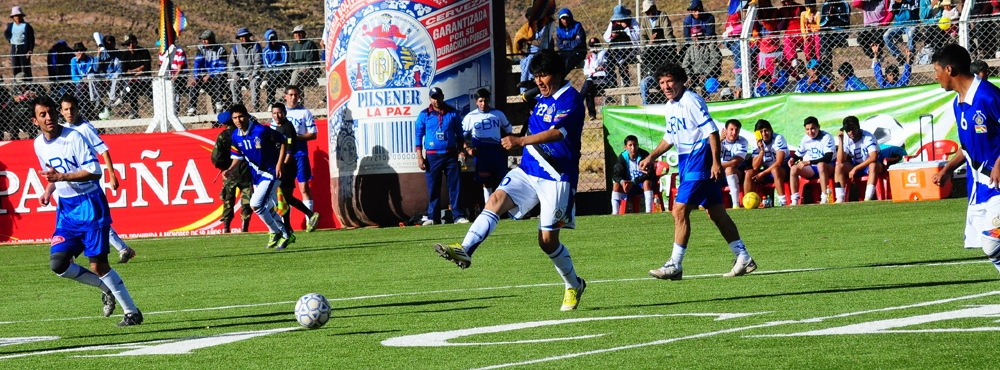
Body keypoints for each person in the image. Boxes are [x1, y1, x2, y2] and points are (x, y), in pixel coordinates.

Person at [433, 49, 588, 311]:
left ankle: (573, 284)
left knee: (547, 241)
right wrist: (532, 98)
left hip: (557, 176)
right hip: (528, 169)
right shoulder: (542, 95)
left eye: (544, 75)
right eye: (536, 75)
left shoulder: (571, 100)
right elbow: (532, 96)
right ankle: (465, 250)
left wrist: (521, 140)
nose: (539, 81)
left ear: (559, 74)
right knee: (494, 199)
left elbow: (557, 134)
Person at [639, 62, 757, 280]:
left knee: (679, 211)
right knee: (716, 213)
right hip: (687, 161)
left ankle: (675, 264)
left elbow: (711, 131)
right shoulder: (670, 105)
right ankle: (743, 257)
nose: (665, 86)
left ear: (682, 80)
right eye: (662, 82)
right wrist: (651, 157)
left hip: (699, 160)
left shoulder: (691, 101)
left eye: (670, 81)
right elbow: (670, 137)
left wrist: (715, 162)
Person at [32, 96, 143, 326]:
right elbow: (54, 172)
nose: (49, 117)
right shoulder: (38, 144)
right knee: (58, 264)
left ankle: (132, 312)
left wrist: (61, 177)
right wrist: (49, 189)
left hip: (90, 204)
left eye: (51, 112)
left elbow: (94, 171)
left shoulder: (74, 136)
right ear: (35, 121)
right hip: (66, 210)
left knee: (98, 265)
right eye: (43, 115)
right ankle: (105, 288)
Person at [930, 44, 1000, 260]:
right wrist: (948, 169)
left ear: (949, 70)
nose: (936, 76)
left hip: (997, 183)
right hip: (978, 186)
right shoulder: (958, 104)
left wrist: (999, 164)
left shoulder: (988, 96)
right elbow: (967, 148)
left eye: (936, 70)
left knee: (992, 243)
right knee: (991, 251)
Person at [59, 93, 137, 263]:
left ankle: (70, 255)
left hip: (88, 182)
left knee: (91, 219)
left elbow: (104, 151)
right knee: (92, 220)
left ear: (78, 109)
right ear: (61, 111)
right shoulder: (63, 129)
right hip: (73, 184)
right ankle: (124, 249)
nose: (69, 112)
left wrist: (112, 175)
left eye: (72, 108)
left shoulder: (85, 128)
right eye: (66, 109)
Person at [222, 104, 293, 249]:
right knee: (267, 206)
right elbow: (238, 156)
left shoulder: (261, 130)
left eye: (241, 116)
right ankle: (287, 234)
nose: (238, 120)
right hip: (257, 176)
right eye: (235, 118)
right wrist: (229, 170)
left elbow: (283, 140)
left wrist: (280, 164)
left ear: (247, 115)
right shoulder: (235, 136)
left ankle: (274, 231)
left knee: (256, 204)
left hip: (271, 173)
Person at [415, 86, 467, 225]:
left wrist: (461, 150)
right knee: (433, 187)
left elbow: (460, 135)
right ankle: (433, 217)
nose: (436, 100)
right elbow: (418, 137)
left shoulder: (452, 113)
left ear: (443, 96)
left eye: (438, 97)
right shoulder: (424, 115)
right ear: (430, 99)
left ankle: (458, 216)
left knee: (455, 186)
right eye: (433, 97)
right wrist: (420, 157)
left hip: (451, 154)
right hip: (432, 156)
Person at [270, 102, 320, 232]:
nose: (277, 115)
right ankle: (288, 226)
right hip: (282, 166)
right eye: (274, 113)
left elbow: (289, 150)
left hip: (287, 167)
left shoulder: (287, 127)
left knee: (286, 197)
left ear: (285, 113)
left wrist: (283, 166)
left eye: (279, 112)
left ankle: (309, 215)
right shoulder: (278, 127)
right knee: (284, 197)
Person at [461, 88, 512, 205]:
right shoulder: (470, 116)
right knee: (486, 182)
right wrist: (468, 149)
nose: (483, 104)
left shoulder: (498, 114)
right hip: (481, 153)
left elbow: (509, 131)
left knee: (504, 180)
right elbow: (460, 136)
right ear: (476, 102)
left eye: (485, 101)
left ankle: (507, 209)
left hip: (496, 151)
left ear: (489, 101)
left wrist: (506, 144)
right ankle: (489, 208)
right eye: (480, 101)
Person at [283, 85, 320, 230]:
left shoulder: (305, 112)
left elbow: (313, 134)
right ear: (285, 96)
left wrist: (295, 138)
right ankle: (286, 224)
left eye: (296, 95)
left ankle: (309, 222)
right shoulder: (280, 112)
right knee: (286, 191)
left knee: (304, 188)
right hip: (285, 156)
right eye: (291, 95)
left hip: (300, 155)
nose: (293, 97)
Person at [210, 110, 253, 233]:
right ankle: (245, 227)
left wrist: (224, 167)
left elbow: (216, 157)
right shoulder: (245, 133)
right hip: (246, 171)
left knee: (228, 200)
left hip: (230, 172)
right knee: (247, 199)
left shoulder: (223, 136)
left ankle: (226, 227)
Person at [788, 116, 835, 205]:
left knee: (821, 165)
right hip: (812, 169)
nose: (810, 132)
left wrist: (808, 162)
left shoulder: (827, 137)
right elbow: (799, 153)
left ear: (818, 127)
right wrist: (792, 159)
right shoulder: (805, 139)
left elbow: (828, 158)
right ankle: (794, 200)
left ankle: (824, 197)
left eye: (813, 128)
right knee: (794, 168)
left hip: (827, 167)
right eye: (807, 129)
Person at [834, 115, 881, 202]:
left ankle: (868, 198)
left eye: (853, 128)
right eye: (848, 130)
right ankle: (840, 198)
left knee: (873, 165)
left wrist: (855, 168)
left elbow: (873, 157)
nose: (851, 132)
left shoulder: (868, 137)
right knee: (839, 167)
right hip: (857, 165)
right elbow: (840, 160)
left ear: (858, 127)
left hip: (870, 166)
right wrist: (840, 140)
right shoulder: (847, 139)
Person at [744, 119, 790, 206]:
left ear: (771, 130)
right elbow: (755, 167)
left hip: (783, 170)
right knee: (749, 173)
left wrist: (762, 174)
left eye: (766, 130)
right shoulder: (756, 143)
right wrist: (761, 150)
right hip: (766, 172)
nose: (764, 134)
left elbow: (779, 162)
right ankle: (748, 202)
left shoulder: (778, 138)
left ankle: (783, 202)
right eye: (761, 132)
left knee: (775, 170)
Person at [611, 135, 658, 214]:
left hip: (642, 185)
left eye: (635, 145)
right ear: (625, 147)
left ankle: (649, 212)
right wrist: (623, 182)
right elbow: (616, 175)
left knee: (646, 182)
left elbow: (650, 174)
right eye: (630, 145)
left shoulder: (644, 155)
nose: (633, 148)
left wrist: (634, 181)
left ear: (638, 145)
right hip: (629, 186)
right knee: (616, 185)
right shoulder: (622, 157)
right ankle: (615, 213)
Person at [189, 30, 228, 115]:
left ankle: (219, 103)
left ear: (212, 39)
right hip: (204, 76)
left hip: (217, 75)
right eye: (202, 40)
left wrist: (210, 75)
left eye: (206, 39)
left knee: (219, 77)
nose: (204, 42)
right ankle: (192, 107)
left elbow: (222, 67)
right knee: (194, 83)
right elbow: (197, 64)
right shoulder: (200, 48)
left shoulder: (221, 50)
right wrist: (196, 77)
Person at [603, 5, 640, 88]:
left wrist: (626, 28)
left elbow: (637, 36)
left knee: (621, 59)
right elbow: (606, 36)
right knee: (608, 57)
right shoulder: (613, 23)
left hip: (629, 46)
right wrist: (612, 35)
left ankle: (626, 80)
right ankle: (612, 81)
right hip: (615, 45)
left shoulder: (632, 21)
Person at [119, 34, 151, 119]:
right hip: (131, 80)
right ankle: (134, 111)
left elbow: (147, 68)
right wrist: (139, 68)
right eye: (128, 44)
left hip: (143, 78)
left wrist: (132, 71)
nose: (131, 46)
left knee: (132, 86)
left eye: (132, 43)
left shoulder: (144, 52)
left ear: (136, 42)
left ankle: (124, 97)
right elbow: (124, 71)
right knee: (132, 85)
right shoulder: (125, 54)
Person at [230, 27, 262, 112]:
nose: (243, 38)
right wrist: (235, 74)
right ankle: (238, 107)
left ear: (248, 36)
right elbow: (232, 63)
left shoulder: (256, 46)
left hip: (253, 74)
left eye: (245, 36)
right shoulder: (236, 48)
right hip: (240, 75)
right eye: (241, 37)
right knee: (233, 84)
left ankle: (255, 106)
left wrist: (254, 73)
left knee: (254, 82)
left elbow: (258, 62)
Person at [720, 119, 749, 208]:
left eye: (737, 130)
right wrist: (719, 141)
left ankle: (736, 204)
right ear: (725, 130)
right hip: (719, 173)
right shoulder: (717, 141)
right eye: (731, 129)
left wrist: (717, 166)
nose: (734, 132)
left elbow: (735, 162)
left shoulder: (743, 141)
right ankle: (703, 204)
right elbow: (708, 156)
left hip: (737, 172)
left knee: (729, 169)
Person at [581, 38, 609, 119]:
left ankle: (579, 99)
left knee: (588, 81)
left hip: (602, 78)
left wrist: (593, 69)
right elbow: (585, 71)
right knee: (589, 93)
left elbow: (598, 63)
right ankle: (592, 114)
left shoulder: (603, 53)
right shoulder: (589, 58)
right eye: (592, 46)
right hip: (592, 80)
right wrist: (594, 70)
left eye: (596, 46)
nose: (594, 48)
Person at [69, 42, 99, 117]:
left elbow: (95, 70)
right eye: (77, 51)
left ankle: (94, 102)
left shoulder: (91, 59)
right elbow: (74, 76)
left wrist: (98, 56)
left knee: (90, 77)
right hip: (81, 83)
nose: (79, 52)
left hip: (91, 82)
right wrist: (81, 80)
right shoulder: (73, 61)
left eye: (81, 50)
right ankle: (78, 111)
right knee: (81, 92)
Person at [4, 6, 34, 81]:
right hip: (15, 47)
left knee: (25, 67)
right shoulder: (11, 26)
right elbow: (6, 33)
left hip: (24, 48)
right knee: (15, 66)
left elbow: (31, 38)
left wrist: (30, 50)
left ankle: (28, 84)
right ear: (13, 17)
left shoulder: (26, 26)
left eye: (19, 16)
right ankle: (17, 84)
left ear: (21, 16)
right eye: (15, 16)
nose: (17, 17)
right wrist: (10, 39)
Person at [261, 29, 289, 106]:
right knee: (271, 79)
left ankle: (266, 81)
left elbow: (285, 61)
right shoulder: (265, 51)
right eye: (271, 40)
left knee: (270, 80)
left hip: (283, 70)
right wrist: (274, 66)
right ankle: (270, 103)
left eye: (274, 39)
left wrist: (275, 64)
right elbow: (267, 65)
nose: (273, 42)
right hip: (272, 72)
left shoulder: (283, 47)